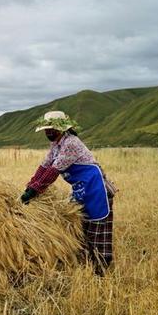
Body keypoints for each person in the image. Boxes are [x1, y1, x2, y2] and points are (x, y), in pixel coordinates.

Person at [21, 111, 116, 275]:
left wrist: (34, 191)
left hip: (96, 189)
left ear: (62, 128)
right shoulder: (56, 145)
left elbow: (53, 171)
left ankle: (101, 272)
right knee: (81, 230)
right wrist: (30, 185)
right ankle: (87, 267)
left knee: (96, 231)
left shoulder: (70, 143)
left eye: (52, 129)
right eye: (46, 129)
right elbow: (44, 167)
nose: (48, 132)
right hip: (82, 189)